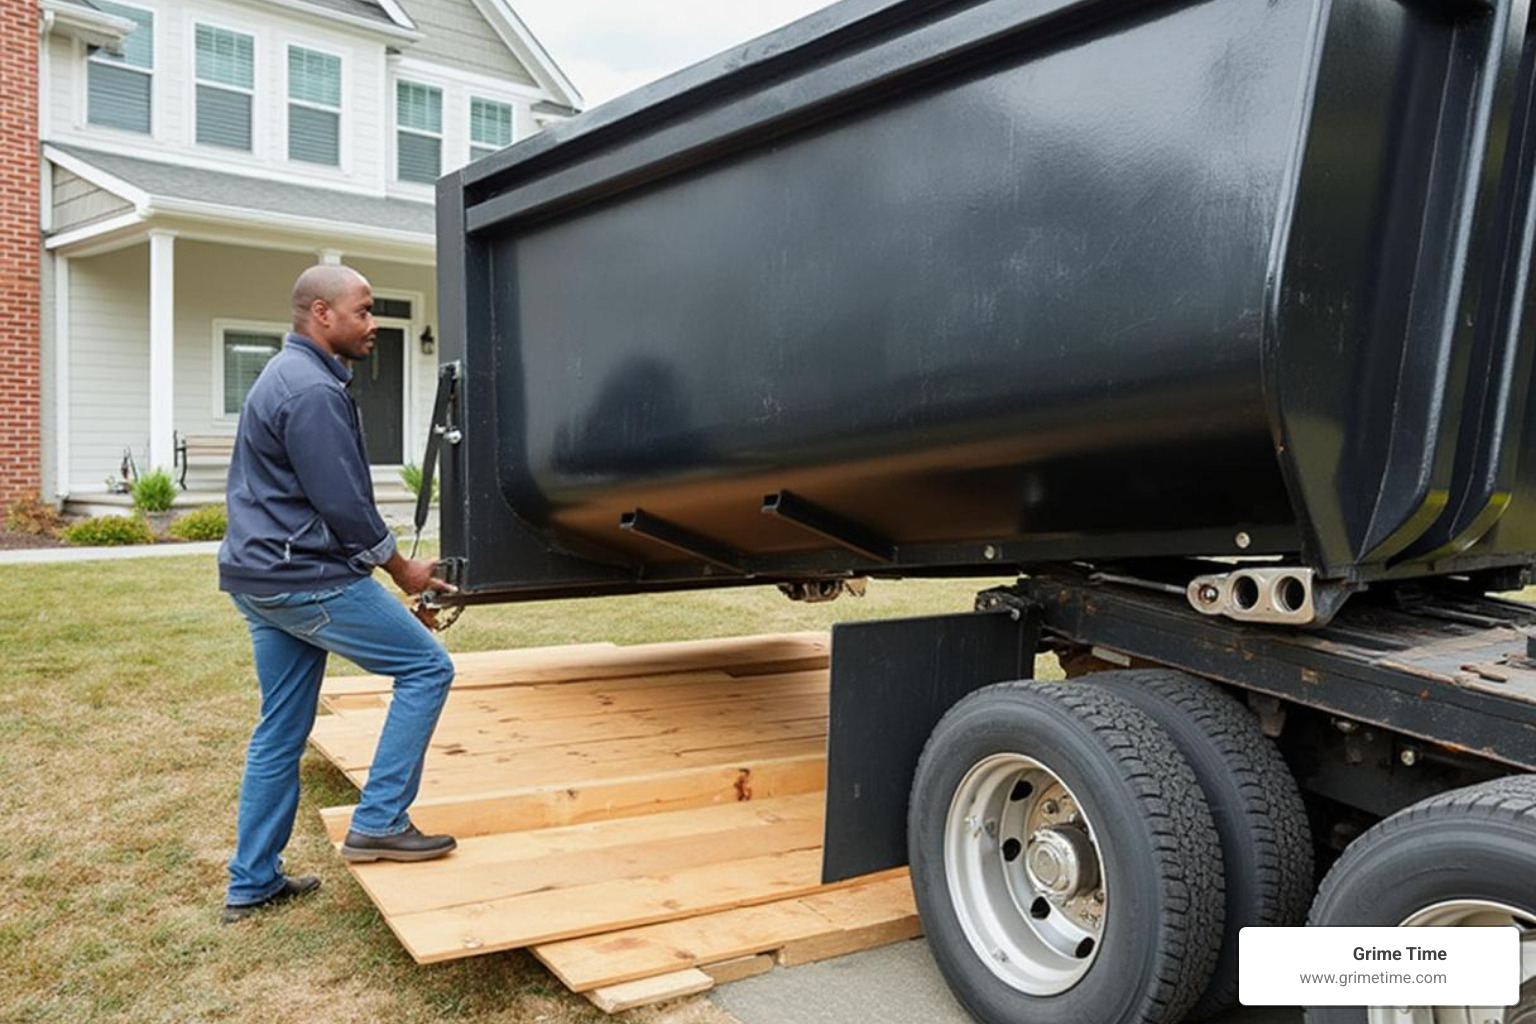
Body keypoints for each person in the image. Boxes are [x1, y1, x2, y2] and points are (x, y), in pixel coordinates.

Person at [217, 264, 459, 925]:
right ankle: (380, 822)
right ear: (321, 314)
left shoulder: (288, 375)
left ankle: (252, 882)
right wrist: (402, 570)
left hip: (260, 578)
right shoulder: (311, 390)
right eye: (364, 310)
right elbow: (344, 503)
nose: (373, 323)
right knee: (427, 668)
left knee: (281, 728)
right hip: (303, 579)